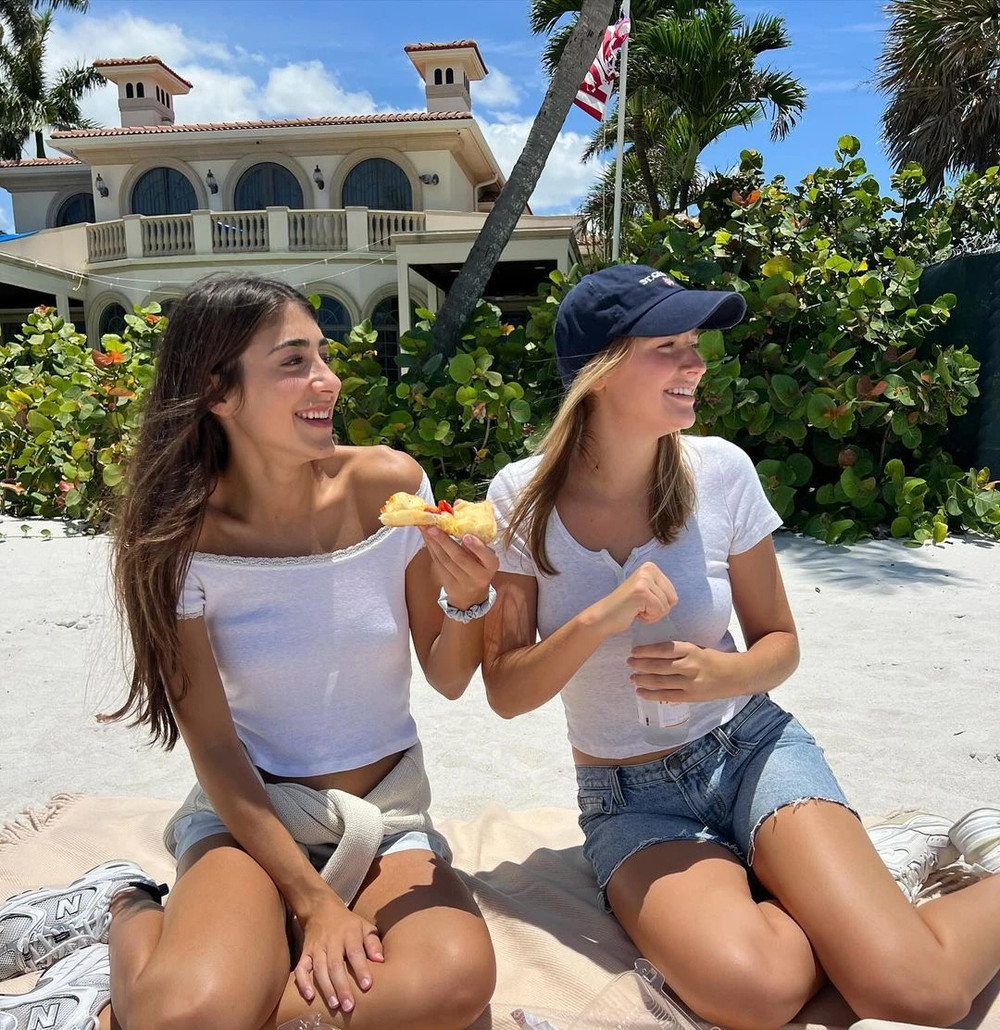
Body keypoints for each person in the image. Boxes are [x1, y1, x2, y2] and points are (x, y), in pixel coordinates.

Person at [481, 264, 1000, 1030]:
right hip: (630, 800)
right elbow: (505, 690)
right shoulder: (519, 499)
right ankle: (865, 886)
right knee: (758, 992)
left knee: (919, 994)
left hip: (752, 749)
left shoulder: (720, 470)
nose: (696, 363)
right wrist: (599, 618)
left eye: (695, 344)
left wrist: (719, 674)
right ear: (599, 370)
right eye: (669, 347)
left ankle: (890, 900)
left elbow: (780, 645)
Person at [0, 275, 497, 1030]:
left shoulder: (389, 487)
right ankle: (126, 908)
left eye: (323, 355)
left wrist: (467, 600)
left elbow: (450, 676)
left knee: (456, 982)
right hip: (251, 815)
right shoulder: (179, 540)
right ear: (217, 391)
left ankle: (223, 992)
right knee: (188, 1017)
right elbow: (215, 748)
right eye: (293, 361)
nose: (327, 380)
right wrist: (315, 902)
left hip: (385, 815)